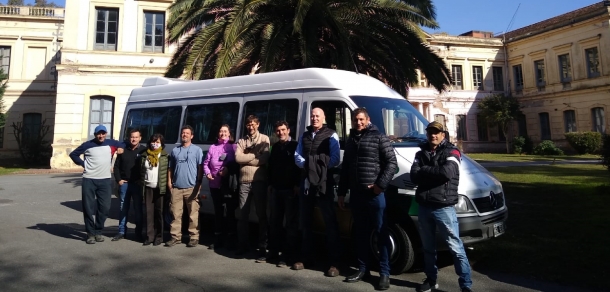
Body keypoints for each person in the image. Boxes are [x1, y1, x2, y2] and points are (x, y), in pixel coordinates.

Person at [338, 108, 397, 290]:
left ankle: (384, 273)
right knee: (361, 234)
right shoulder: (351, 140)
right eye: (356, 120)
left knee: (381, 233)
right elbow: (346, 168)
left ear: (368, 119)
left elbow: (391, 163)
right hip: (356, 195)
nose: (359, 122)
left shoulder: (378, 137)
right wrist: (341, 192)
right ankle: (363, 269)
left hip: (374, 195)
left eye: (361, 119)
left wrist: (380, 185)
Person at [410, 121, 473, 292]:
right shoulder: (420, 153)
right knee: (428, 248)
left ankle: (466, 285)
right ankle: (431, 280)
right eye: (430, 132)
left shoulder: (452, 151)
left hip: (444, 207)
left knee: (455, 247)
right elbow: (414, 176)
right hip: (424, 206)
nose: (433, 135)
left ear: (443, 135)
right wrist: (431, 172)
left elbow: (447, 173)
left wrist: (425, 170)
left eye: (437, 132)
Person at [294, 107, 342, 277]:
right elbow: (297, 156)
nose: (314, 118)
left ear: (324, 117)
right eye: (312, 116)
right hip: (306, 183)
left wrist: (316, 168)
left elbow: (336, 159)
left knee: (330, 223)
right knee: (305, 222)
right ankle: (306, 257)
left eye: (317, 116)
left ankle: (334, 263)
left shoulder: (331, 135)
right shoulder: (305, 136)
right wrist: (309, 166)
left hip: (324, 183)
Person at [69, 125, 124, 244]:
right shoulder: (87, 145)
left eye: (103, 133)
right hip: (89, 179)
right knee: (88, 207)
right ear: (95, 135)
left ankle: (98, 231)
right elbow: (73, 154)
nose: (101, 136)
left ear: (106, 133)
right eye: (99, 134)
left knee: (104, 207)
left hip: (105, 180)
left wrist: (121, 148)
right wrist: (84, 164)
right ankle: (90, 233)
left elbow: (124, 145)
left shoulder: (111, 143)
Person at [262, 121, 300, 267]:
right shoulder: (275, 147)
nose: (281, 133)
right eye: (278, 131)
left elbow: (299, 167)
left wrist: (297, 184)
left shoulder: (295, 146)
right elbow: (270, 167)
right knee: (275, 223)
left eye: (283, 130)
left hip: (290, 190)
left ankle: (287, 256)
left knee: (290, 224)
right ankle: (273, 253)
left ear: (288, 130)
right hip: (276, 190)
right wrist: (270, 183)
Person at [235, 115, 270, 258]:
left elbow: (264, 159)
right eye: (249, 124)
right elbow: (238, 158)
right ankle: (243, 245)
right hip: (244, 181)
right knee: (243, 215)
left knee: (262, 215)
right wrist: (254, 156)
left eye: (253, 124)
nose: (251, 126)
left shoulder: (264, 139)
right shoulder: (242, 140)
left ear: (258, 124)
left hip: (259, 181)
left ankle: (262, 247)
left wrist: (247, 157)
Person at [166, 125, 204, 248]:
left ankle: (194, 237)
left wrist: (199, 183)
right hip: (177, 187)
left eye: (187, 133)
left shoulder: (197, 150)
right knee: (175, 214)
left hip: (192, 187)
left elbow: (200, 168)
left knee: (193, 214)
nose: (184, 135)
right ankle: (175, 237)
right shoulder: (175, 151)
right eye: (183, 133)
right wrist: (169, 183)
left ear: (191, 136)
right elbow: (170, 168)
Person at [203, 124, 239, 250]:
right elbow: (206, 163)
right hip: (214, 184)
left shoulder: (233, 147)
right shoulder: (213, 147)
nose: (223, 133)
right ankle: (218, 239)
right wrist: (207, 173)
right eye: (221, 131)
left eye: (225, 131)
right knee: (218, 213)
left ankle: (231, 240)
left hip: (227, 185)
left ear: (229, 134)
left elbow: (236, 163)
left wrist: (227, 169)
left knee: (229, 212)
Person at [112, 129, 147, 242]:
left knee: (138, 209)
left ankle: (138, 232)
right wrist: (119, 180)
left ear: (140, 138)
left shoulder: (143, 151)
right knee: (123, 208)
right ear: (129, 137)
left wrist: (141, 181)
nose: (134, 139)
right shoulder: (123, 150)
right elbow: (116, 167)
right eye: (132, 137)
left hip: (137, 185)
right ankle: (121, 231)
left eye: (136, 137)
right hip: (125, 184)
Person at [140, 133, 169, 246]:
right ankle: (149, 236)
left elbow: (167, 172)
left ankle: (159, 236)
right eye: (153, 141)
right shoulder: (144, 155)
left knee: (159, 212)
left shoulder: (164, 156)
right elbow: (141, 171)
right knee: (148, 213)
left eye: (157, 142)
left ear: (161, 143)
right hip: (147, 187)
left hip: (159, 188)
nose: (155, 144)